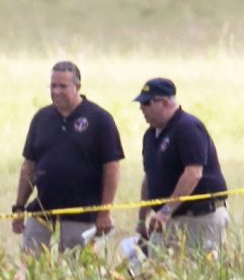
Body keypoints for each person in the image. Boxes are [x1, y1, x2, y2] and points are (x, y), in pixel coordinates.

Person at [12, 61, 124, 253]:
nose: (56, 91)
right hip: (43, 208)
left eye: (62, 86)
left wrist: (104, 212)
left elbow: (111, 168)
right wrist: (19, 207)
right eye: (53, 86)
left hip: (82, 211)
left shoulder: (100, 119)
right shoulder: (42, 118)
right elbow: (29, 166)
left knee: (77, 270)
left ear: (77, 86)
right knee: (30, 263)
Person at [133, 77, 229, 253]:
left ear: (164, 102)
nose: (141, 108)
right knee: (157, 274)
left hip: (199, 217)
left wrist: (166, 210)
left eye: (146, 103)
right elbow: (150, 177)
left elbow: (193, 173)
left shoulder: (187, 127)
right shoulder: (150, 136)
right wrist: (142, 219)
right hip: (166, 220)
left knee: (194, 273)